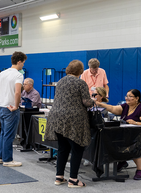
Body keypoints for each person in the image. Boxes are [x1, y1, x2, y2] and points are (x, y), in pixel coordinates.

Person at [45, 60, 94, 188]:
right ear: (80, 71)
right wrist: (94, 100)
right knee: (77, 148)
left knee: (63, 148)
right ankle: (73, 180)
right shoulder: (80, 82)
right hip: (74, 119)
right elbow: (86, 102)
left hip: (56, 117)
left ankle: (59, 177)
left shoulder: (60, 81)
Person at [96, 89, 141, 180]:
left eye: (130, 96)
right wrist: (99, 104)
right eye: (126, 96)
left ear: (137, 98)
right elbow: (112, 108)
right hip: (128, 135)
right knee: (113, 140)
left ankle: (140, 169)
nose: (127, 98)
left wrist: (136, 123)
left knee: (133, 144)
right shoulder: (125, 106)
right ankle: (122, 160)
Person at [0, 51, 27, 167]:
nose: (23, 65)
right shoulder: (18, 75)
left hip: (1, 108)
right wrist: (15, 106)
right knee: (9, 135)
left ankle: (1, 157)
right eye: (23, 63)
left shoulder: (3, 73)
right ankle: (8, 160)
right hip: (10, 109)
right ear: (19, 62)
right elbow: (18, 92)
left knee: (4, 134)